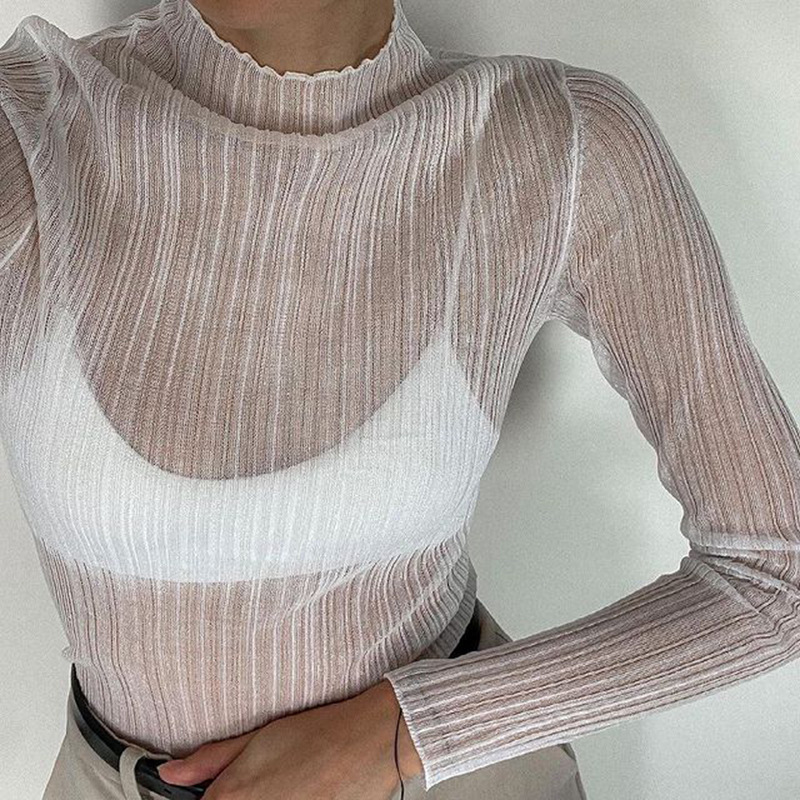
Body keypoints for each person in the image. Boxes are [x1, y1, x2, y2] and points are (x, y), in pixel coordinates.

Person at [0, 0, 797, 798]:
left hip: (447, 778)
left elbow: (776, 568)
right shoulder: (31, 122)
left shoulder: (554, 144)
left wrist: (408, 730)